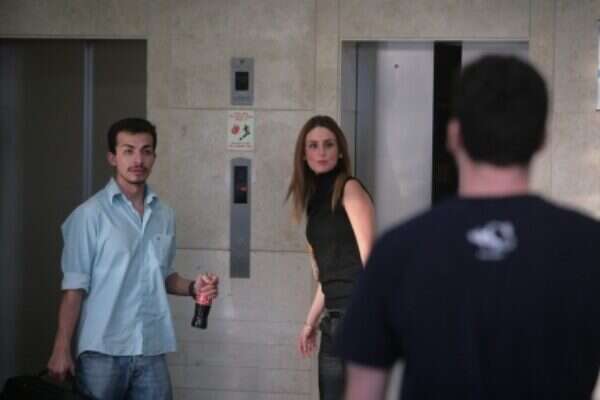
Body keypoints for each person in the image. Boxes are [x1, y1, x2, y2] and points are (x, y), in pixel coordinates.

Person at [338, 55, 600, 400]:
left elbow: (363, 392)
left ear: (453, 135)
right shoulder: (588, 245)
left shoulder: (399, 250)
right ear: (542, 138)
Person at [46, 118, 219, 400]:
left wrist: (192, 287)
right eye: (128, 150)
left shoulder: (164, 215)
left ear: (154, 157)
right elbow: (74, 289)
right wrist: (61, 347)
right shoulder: (89, 215)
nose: (138, 160)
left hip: (151, 348)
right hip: (102, 352)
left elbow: (163, 276)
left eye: (146, 151)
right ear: (112, 158)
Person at [286, 115, 375, 400]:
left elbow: (371, 260)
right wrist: (309, 322)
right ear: (304, 154)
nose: (321, 152)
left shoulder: (350, 189)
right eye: (313, 145)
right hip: (333, 324)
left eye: (328, 144)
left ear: (340, 151)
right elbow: (329, 276)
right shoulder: (314, 204)